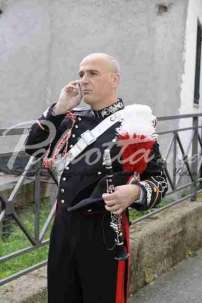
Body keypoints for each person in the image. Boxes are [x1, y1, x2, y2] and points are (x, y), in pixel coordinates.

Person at [25, 53, 168, 303]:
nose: (83, 80)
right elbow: (33, 147)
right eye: (81, 74)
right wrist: (59, 108)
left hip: (104, 232)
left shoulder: (134, 124)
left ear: (114, 79)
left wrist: (135, 192)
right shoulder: (70, 119)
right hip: (64, 227)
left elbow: (159, 181)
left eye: (92, 73)